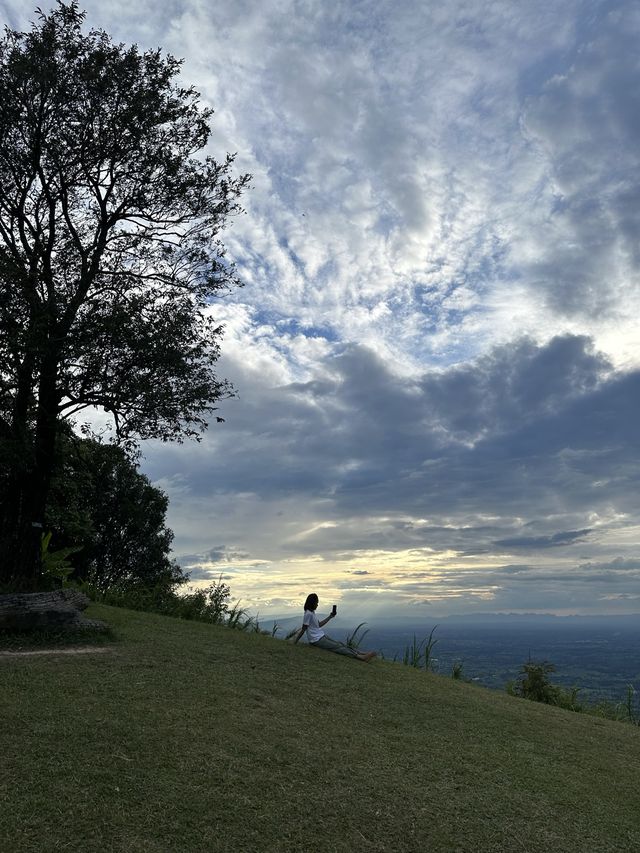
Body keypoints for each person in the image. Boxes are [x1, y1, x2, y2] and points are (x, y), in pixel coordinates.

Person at [293, 593, 377, 662]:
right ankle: (360, 657)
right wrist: (295, 642)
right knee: (337, 647)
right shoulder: (308, 614)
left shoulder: (312, 612)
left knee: (340, 644)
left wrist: (330, 617)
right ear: (312, 603)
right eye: (316, 602)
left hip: (321, 636)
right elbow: (303, 629)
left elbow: (318, 625)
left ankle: (362, 653)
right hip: (316, 640)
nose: (317, 604)